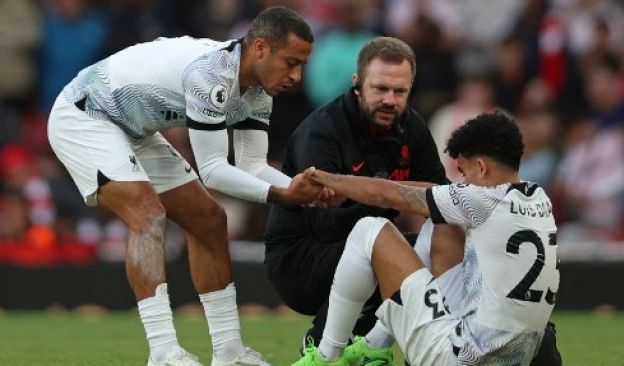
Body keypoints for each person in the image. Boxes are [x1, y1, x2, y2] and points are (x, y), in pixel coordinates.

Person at [47, 6, 322, 366]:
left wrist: (305, 191)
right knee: (147, 214)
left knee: (208, 219)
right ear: (260, 48)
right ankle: (162, 352)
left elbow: (252, 167)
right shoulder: (210, 74)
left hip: (134, 127)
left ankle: (229, 352)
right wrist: (285, 194)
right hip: (85, 114)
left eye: (302, 65)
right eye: (290, 62)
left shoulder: (257, 91)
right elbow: (212, 171)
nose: (297, 76)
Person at [293, 112, 560, 366]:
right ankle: (373, 347)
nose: (461, 183)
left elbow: (388, 195)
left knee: (369, 230)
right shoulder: (537, 198)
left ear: (481, 166)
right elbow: (439, 193)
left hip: (457, 358)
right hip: (514, 356)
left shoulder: (482, 200)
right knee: (441, 223)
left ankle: (326, 356)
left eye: (464, 174)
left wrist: (327, 178)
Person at [263, 36, 452, 350]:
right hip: (299, 260)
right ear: (357, 83)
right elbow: (321, 225)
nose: (390, 100)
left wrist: (382, 196)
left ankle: (385, 345)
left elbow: (443, 199)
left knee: (442, 244)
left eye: (400, 91)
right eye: (380, 89)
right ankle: (322, 343)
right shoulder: (323, 131)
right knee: (380, 241)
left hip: (356, 246)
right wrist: (386, 201)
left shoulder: (412, 128)